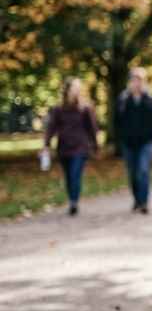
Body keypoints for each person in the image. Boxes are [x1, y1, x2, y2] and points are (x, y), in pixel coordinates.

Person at [42, 77, 100, 216]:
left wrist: (95, 145)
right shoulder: (58, 108)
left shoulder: (85, 108)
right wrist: (46, 144)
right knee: (68, 176)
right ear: (67, 90)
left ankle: (74, 202)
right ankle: (72, 198)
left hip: (80, 147)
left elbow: (92, 127)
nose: (77, 91)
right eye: (74, 87)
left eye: (78, 88)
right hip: (64, 147)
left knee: (75, 173)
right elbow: (51, 127)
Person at [115, 67, 152, 214]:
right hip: (129, 142)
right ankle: (136, 199)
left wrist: (151, 134)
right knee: (132, 173)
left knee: (143, 170)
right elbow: (117, 120)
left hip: (146, 142)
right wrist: (123, 135)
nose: (137, 83)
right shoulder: (123, 99)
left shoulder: (150, 99)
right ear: (130, 82)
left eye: (140, 80)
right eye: (134, 80)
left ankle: (144, 201)